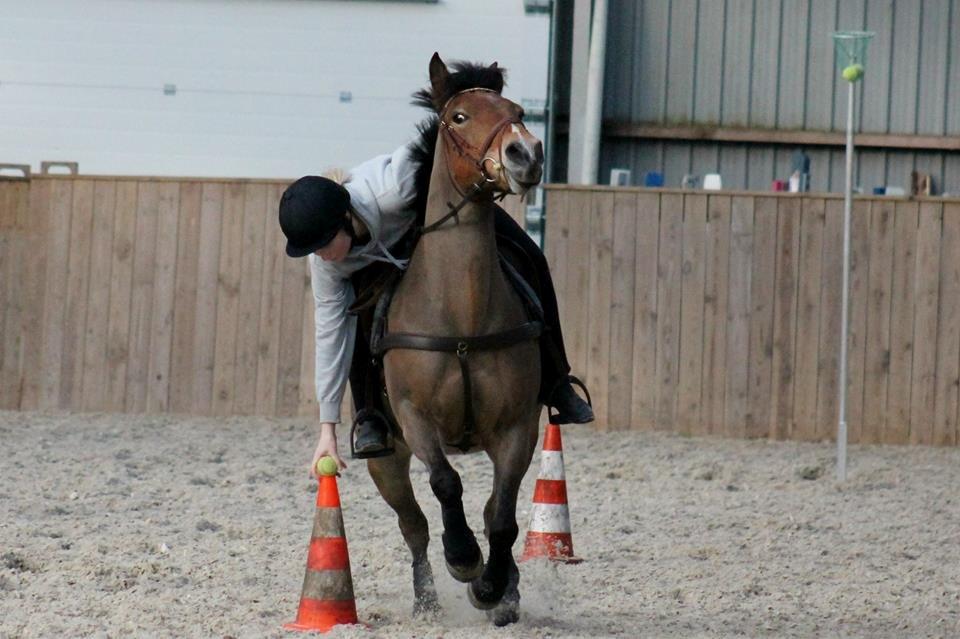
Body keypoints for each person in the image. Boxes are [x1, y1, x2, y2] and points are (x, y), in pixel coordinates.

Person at [279, 143, 592, 476]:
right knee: (355, 314)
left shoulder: (395, 186)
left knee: (532, 256)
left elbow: (437, 146)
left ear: (345, 218)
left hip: (446, 213)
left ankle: (558, 381)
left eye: (324, 245)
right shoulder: (326, 264)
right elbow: (330, 334)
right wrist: (327, 429)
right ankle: (370, 413)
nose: (321, 256)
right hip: (385, 257)